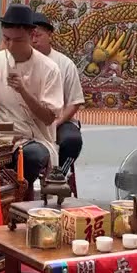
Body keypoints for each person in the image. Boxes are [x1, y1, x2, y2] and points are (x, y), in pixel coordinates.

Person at [0, 4, 64, 185]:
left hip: (33, 136)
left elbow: (48, 118)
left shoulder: (49, 68)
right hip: (2, 131)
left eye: (18, 40)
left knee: (31, 156)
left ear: (32, 36)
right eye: (7, 39)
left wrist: (23, 91)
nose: (11, 45)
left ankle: (22, 197)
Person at [31, 12, 85, 166]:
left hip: (59, 120)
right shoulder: (20, 62)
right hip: (28, 120)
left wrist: (56, 123)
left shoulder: (65, 64)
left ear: (49, 34)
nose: (34, 40)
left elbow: (74, 102)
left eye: (38, 35)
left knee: (72, 141)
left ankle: (59, 175)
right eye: (30, 36)